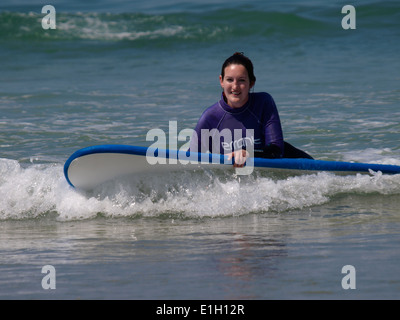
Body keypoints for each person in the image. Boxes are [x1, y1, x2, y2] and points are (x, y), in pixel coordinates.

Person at [189, 52, 313, 167]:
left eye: (241, 80)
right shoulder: (210, 117)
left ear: (251, 83)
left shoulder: (263, 103)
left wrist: (248, 153)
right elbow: (189, 160)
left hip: (296, 164)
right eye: (229, 80)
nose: (235, 86)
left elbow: (277, 151)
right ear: (221, 81)